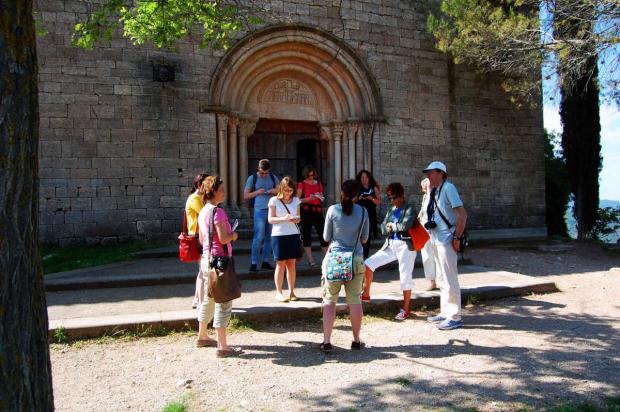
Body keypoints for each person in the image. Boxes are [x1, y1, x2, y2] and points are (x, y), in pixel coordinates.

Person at [196, 175, 243, 357]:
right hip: (221, 261)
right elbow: (223, 238)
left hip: (207, 260)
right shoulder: (218, 212)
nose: (224, 192)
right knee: (223, 301)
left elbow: (202, 238)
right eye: (221, 189)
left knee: (209, 298)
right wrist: (234, 235)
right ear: (213, 191)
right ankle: (223, 347)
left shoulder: (203, 211)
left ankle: (202, 335)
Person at [320, 179, 369, 352]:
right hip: (355, 258)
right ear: (358, 195)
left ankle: (326, 341)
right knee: (355, 300)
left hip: (334, 259)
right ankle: (356, 340)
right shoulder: (363, 212)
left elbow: (326, 237)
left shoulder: (332, 210)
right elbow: (364, 239)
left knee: (329, 300)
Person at [422, 161, 468, 330]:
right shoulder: (434, 190)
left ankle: (455, 316)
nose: (428, 175)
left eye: (431, 172)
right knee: (441, 278)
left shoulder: (448, 188)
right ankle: (445, 312)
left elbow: (462, 215)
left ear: (441, 173)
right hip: (435, 239)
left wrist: (457, 237)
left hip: (447, 239)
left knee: (450, 278)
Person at [363, 182, 417, 321]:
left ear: (401, 195)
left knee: (405, 276)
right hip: (391, 244)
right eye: (390, 198)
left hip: (406, 245)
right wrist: (389, 227)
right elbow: (382, 227)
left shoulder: (409, 207)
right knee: (368, 264)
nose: (392, 201)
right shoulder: (391, 210)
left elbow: (407, 224)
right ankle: (366, 294)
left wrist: (392, 226)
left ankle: (405, 309)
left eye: (394, 197)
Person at [268, 177, 303, 302]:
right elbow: (270, 219)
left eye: (291, 190)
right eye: (286, 190)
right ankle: (278, 292)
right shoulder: (274, 201)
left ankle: (292, 291)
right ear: (281, 189)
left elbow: (299, 218)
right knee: (280, 264)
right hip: (279, 235)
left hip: (293, 234)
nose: (289, 193)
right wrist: (284, 218)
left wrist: (295, 219)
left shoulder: (296, 200)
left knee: (291, 264)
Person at [243, 159, 278, 272]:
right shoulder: (252, 178)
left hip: (272, 210)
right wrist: (258, 192)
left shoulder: (273, 177)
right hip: (259, 211)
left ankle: (265, 261)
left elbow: (280, 190)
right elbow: (246, 196)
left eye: (266, 173)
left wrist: (274, 191)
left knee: (269, 237)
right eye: (262, 173)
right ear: (258, 169)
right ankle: (254, 263)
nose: (264, 175)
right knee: (259, 237)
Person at [297, 165, 328, 267]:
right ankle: (311, 260)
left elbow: (322, 196)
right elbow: (297, 200)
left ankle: (326, 259)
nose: (311, 178)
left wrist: (320, 197)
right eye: (309, 176)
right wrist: (309, 198)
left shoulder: (318, 184)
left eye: (313, 175)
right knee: (307, 235)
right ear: (305, 175)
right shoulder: (301, 184)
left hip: (317, 211)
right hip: (306, 211)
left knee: (323, 235)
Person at [186, 173, 209, 309]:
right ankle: (200, 302)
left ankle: (196, 300)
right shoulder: (195, 198)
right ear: (199, 185)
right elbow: (206, 214)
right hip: (197, 236)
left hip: (201, 235)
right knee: (202, 269)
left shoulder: (200, 198)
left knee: (202, 268)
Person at [418, 178, 438, 291]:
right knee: (426, 254)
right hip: (424, 230)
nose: (427, 189)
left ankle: (441, 279)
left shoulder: (437, 197)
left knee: (438, 254)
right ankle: (431, 281)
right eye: (425, 188)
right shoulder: (425, 197)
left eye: (429, 186)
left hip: (436, 230)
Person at [356, 170, 381, 259]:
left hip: (370, 215)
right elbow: (352, 202)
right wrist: (358, 198)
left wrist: (371, 199)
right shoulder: (357, 188)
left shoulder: (374, 188)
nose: (364, 179)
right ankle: (358, 255)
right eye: (362, 177)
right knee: (358, 235)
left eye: (366, 177)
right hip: (359, 215)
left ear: (369, 178)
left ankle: (365, 256)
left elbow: (378, 202)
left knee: (367, 236)